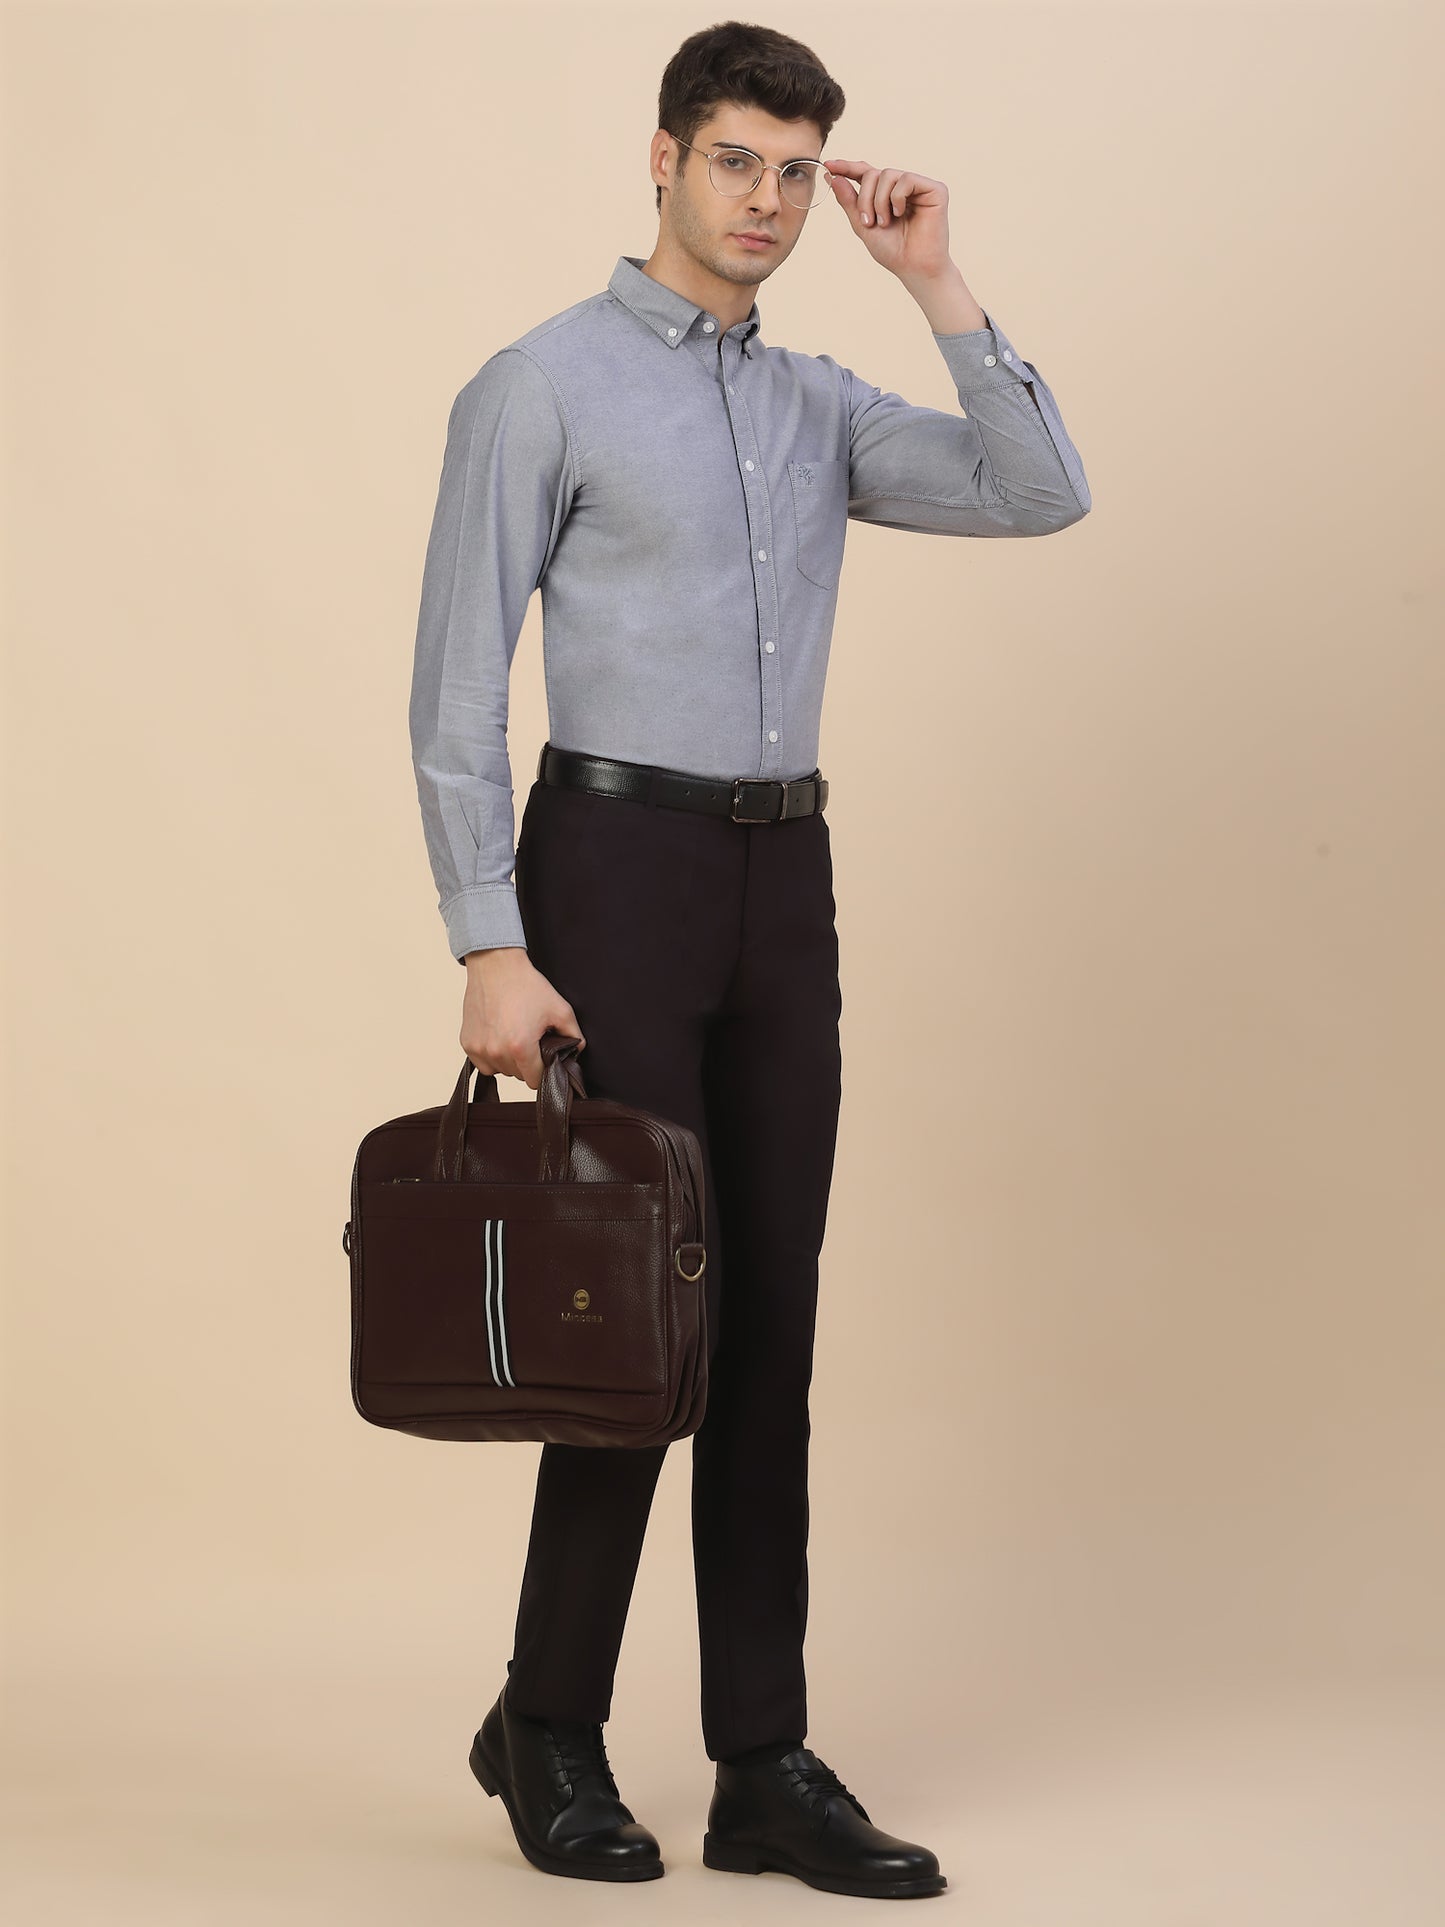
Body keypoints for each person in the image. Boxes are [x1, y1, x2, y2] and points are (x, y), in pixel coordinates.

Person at [408, 18, 1090, 1900]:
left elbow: (1037, 489)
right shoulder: (536, 387)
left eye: (794, 171)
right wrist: (488, 936)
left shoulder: (817, 406)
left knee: (768, 1324)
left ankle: (761, 1765)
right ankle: (548, 1721)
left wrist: (934, 280)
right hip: (609, 866)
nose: (769, 200)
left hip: (782, 878)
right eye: (736, 161)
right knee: (634, 1322)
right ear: (662, 159)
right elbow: (456, 688)